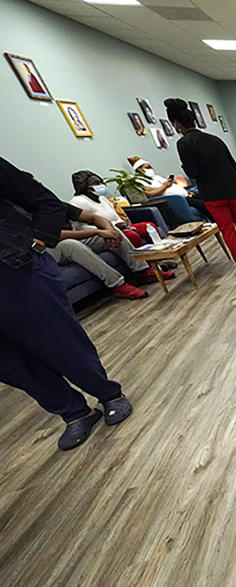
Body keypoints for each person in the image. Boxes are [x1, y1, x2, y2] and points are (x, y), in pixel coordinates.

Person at [0, 156, 134, 450]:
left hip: (14, 269)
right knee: (11, 365)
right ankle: (75, 413)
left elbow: (44, 201)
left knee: (59, 341)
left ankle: (108, 394)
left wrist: (37, 243)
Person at [165, 97, 236, 273]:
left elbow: (193, 173)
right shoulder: (214, 139)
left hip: (213, 194)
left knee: (228, 230)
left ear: (177, 123)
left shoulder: (183, 143)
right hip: (233, 189)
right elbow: (232, 164)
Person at [69, 169, 164, 247]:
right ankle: (148, 266)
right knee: (132, 236)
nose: (101, 186)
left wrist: (123, 224)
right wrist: (113, 228)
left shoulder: (102, 198)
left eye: (101, 182)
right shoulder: (78, 202)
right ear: (85, 187)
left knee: (149, 226)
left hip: (121, 228)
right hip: (102, 234)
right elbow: (81, 228)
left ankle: (162, 257)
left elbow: (116, 216)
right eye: (96, 183)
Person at [129, 156, 211, 221]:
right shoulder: (139, 180)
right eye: (147, 167)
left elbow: (167, 183)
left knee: (207, 199)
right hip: (176, 200)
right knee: (202, 204)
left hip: (186, 195)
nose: (150, 169)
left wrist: (171, 183)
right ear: (140, 169)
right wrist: (165, 186)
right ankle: (215, 222)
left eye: (150, 167)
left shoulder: (156, 177)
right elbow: (149, 193)